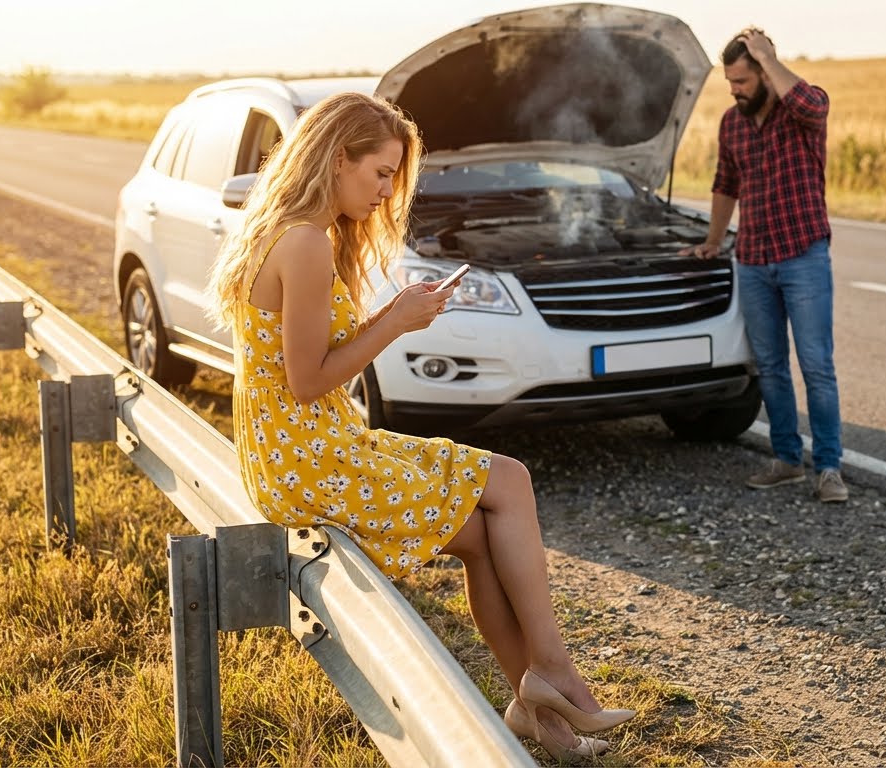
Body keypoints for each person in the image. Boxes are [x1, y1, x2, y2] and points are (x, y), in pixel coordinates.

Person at [207, 91, 634, 761]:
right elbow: (307, 380)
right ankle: (551, 676)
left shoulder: (285, 231)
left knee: (489, 529)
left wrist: (389, 319)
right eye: (380, 172)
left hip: (298, 451)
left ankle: (540, 714)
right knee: (508, 485)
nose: (385, 191)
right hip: (311, 459)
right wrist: (394, 322)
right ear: (336, 159)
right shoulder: (305, 244)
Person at [681, 28, 848, 503]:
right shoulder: (732, 123)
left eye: (742, 80)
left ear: (765, 72)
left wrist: (769, 57)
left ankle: (830, 468)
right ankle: (787, 460)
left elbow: (814, 104)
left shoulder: (801, 111)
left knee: (817, 366)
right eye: (729, 81)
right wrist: (713, 242)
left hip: (804, 256)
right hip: (753, 260)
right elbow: (725, 184)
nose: (734, 89)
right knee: (770, 368)